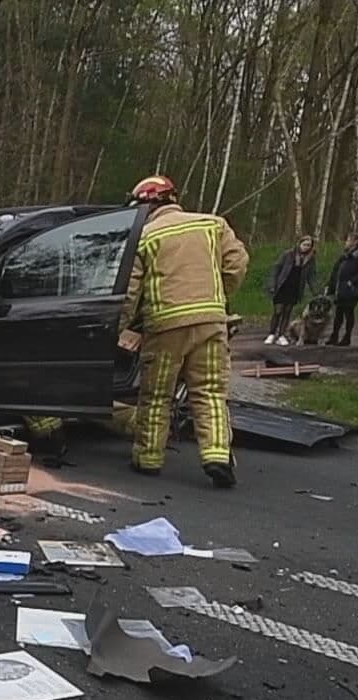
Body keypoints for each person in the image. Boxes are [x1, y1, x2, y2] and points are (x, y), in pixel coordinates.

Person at [117, 174, 250, 489]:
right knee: (210, 392)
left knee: (156, 395)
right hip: (210, 323)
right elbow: (237, 265)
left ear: (148, 204)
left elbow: (129, 291)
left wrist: (118, 326)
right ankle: (217, 456)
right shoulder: (212, 225)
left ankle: (148, 459)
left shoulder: (145, 236)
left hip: (166, 328)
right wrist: (216, 296)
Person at [263, 236, 316, 346]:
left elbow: (311, 276)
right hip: (283, 285)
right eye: (304, 244)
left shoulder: (310, 259)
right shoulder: (288, 254)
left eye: (309, 245)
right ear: (299, 244)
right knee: (278, 310)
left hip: (295, 287)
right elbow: (276, 268)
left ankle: (282, 334)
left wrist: (315, 290)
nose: (306, 247)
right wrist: (272, 284)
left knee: (287, 312)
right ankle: (272, 333)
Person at [326, 233, 358, 346]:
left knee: (348, 311)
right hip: (341, 288)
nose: (346, 242)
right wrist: (330, 285)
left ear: (355, 242)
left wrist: (352, 281)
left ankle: (347, 336)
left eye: (348, 240)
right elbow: (336, 272)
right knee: (339, 312)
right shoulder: (346, 256)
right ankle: (335, 335)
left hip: (352, 289)